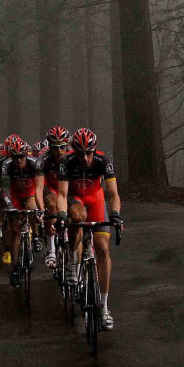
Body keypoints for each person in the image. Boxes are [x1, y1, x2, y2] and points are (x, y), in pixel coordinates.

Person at [61, 127, 121, 330]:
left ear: (94, 149)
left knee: (103, 249)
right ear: (74, 151)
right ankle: (72, 259)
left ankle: (104, 308)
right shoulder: (66, 162)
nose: (86, 158)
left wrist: (115, 214)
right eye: (81, 153)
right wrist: (62, 215)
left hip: (95, 199)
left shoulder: (103, 161)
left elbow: (113, 194)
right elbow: (62, 194)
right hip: (76, 198)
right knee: (77, 217)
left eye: (89, 152)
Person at [0, 134, 44, 287]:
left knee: (32, 207)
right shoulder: (6, 164)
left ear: (27, 154)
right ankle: (15, 269)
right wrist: (9, 205)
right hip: (15, 195)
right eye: (15, 156)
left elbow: (39, 188)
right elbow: (5, 188)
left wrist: (41, 208)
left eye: (22, 156)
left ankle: (36, 235)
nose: (18, 160)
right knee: (16, 230)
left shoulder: (34, 163)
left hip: (30, 193)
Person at [39, 126, 70, 268]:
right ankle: (51, 250)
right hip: (50, 187)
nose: (59, 151)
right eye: (55, 147)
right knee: (51, 204)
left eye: (62, 147)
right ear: (49, 147)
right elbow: (38, 187)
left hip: (68, 188)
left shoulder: (73, 156)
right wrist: (40, 208)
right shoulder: (43, 160)